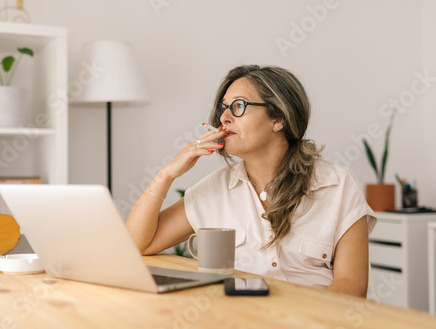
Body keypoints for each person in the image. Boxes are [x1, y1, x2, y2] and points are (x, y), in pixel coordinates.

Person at [126, 65, 377, 297]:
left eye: (238, 106)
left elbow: (352, 288)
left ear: (278, 119)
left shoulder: (337, 184)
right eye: (222, 109)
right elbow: (137, 245)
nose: (224, 118)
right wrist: (166, 174)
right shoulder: (214, 190)